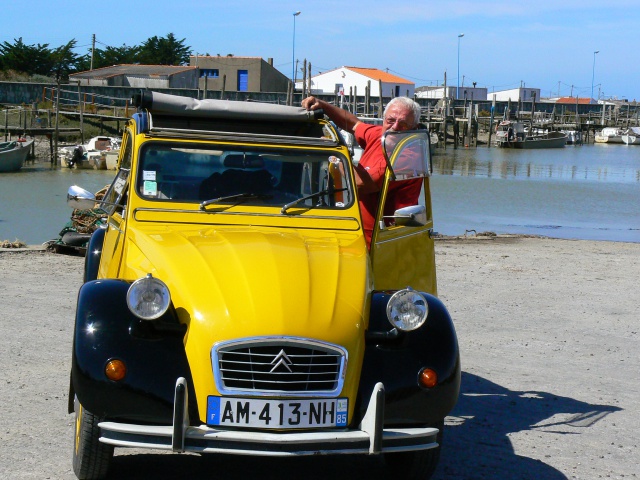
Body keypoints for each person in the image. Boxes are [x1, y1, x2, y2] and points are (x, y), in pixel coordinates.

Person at [301, 95, 422, 248]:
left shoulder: (409, 156)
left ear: (414, 129)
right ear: (383, 119)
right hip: (356, 232)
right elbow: (353, 124)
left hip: (384, 242)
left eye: (403, 124)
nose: (395, 127)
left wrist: (336, 154)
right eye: (390, 120)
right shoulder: (379, 135)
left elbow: (361, 184)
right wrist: (323, 105)